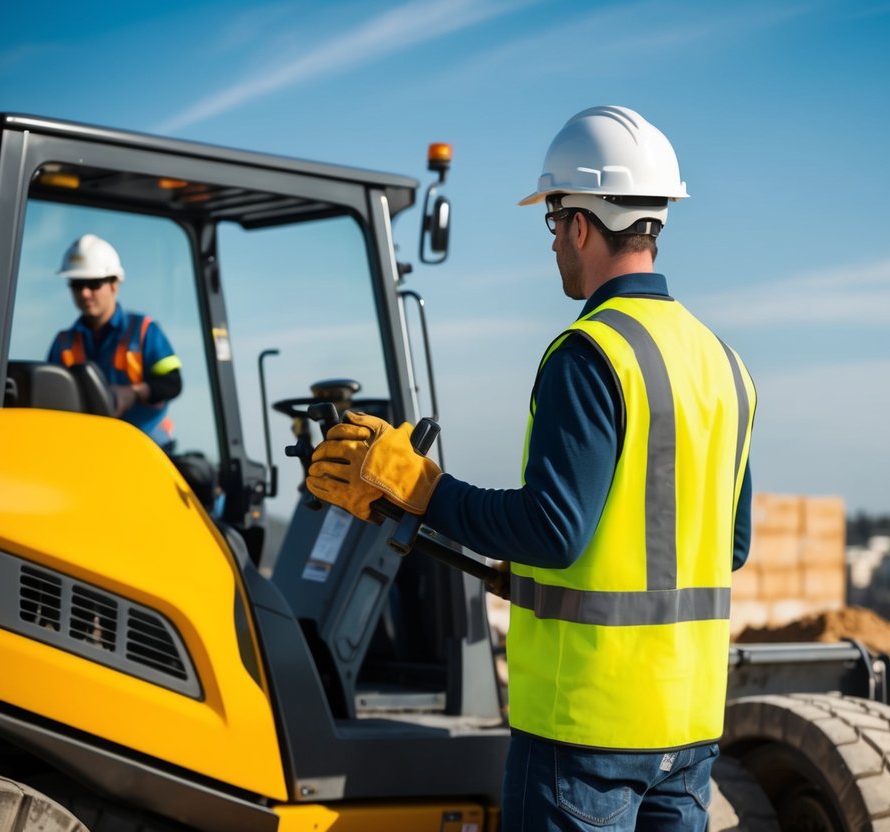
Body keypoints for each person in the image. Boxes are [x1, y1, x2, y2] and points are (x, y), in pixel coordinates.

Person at [306, 105, 756, 831]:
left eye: (552, 223)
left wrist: (423, 489)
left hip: (586, 729)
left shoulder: (590, 352)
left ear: (579, 222)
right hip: (689, 728)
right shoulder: (723, 365)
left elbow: (552, 531)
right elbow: (723, 546)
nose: (552, 245)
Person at [48, 234, 183, 449]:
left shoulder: (144, 330)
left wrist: (133, 393)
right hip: (86, 448)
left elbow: (172, 383)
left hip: (146, 446)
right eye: (76, 284)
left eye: (93, 284)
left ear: (114, 285)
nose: (84, 293)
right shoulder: (64, 342)